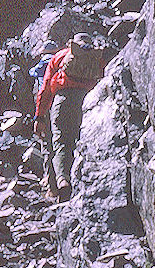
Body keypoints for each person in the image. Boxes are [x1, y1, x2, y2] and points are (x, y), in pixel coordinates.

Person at [33, 33, 104, 202]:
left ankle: (62, 181)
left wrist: (39, 116)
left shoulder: (60, 56)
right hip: (88, 100)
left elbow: (46, 88)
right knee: (81, 141)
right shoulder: (96, 58)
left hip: (63, 100)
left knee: (60, 141)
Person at [29, 41, 60, 197]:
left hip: (46, 105)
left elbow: (31, 73)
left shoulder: (42, 63)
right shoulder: (61, 63)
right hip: (62, 103)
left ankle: (52, 187)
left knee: (48, 145)